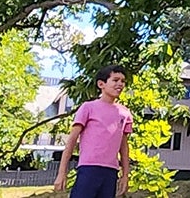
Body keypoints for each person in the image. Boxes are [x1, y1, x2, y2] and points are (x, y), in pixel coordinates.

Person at [53, 65, 134, 198]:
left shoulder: (124, 113)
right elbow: (72, 140)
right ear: (101, 84)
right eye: (115, 80)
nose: (120, 84)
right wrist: (62, 173)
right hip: (88, 169)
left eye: (123, 81)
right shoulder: (88, 108)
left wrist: (125, 175)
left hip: (111, 172)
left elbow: (124, 147)